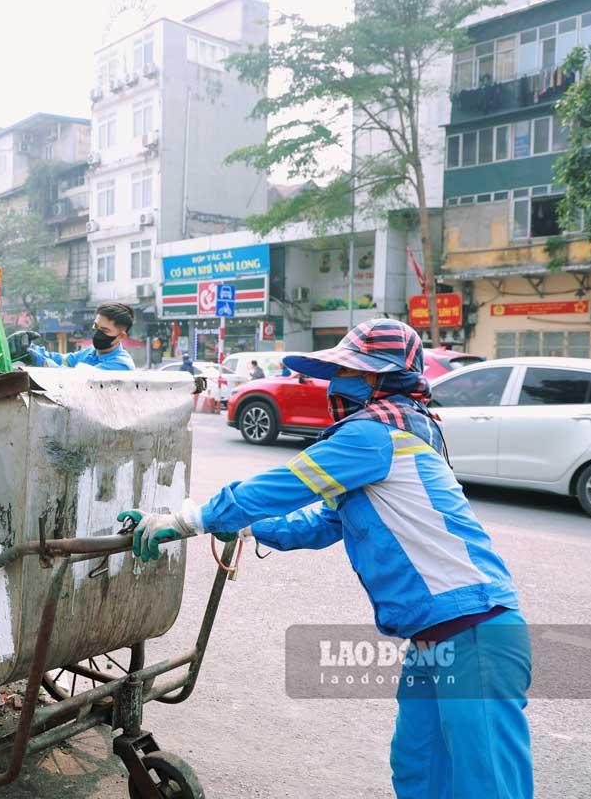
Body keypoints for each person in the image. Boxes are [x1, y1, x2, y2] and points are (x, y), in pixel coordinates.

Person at [118, 319, 532, 799]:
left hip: (474, 629)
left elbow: (286, 484)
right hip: (433, 638)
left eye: (352, 371)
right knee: (419, 769)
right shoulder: (396, 437)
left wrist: (189, 519)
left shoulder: (376, 435)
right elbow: (321, 523)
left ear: (382, 378)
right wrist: (245, 525)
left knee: (486, 785)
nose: (338, 383)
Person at [29, 303, 135, 371]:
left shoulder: (121, 365)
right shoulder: (89, 352)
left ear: (121, 336)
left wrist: (43, 362)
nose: (97, 333)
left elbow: (79, 379)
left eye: (104, 330)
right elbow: (62, 359)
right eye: (96, 326)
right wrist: (30, 348)